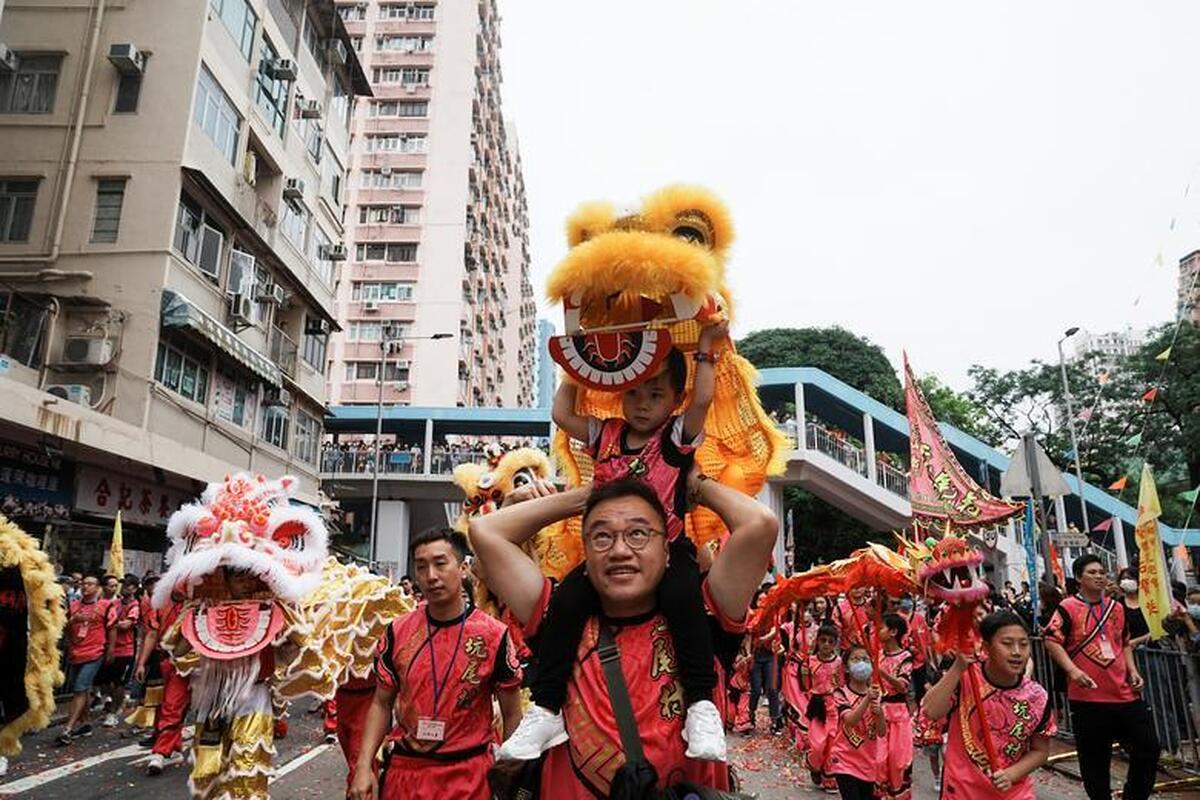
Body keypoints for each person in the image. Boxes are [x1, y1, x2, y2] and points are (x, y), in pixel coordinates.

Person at [470, 473, 778, 798]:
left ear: (667, 548)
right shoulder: (559, 619)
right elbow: (485, 531)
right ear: (586, 552)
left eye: (638, 534)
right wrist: (581, 497)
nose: (619, 550)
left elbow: (760, 524)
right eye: (601, 537)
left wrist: (693, 483)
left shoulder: (703, 617)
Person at [507, 321, 728, 763]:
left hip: (667, 551)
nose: (643, 405)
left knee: (683, 597)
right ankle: (547, 708)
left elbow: (703, 398)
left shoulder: (676, 438)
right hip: (607, 556)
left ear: (674, 400)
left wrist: (706, 346)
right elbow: (562, 415)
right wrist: (576, 361)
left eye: (656, 394)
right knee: (567, 602)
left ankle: (702, 706)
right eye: (634, 393)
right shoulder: (605, 434)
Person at [348, 529, 523, 800]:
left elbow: (512, 712)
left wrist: (511, 770)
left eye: (441, 564)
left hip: (469, 777)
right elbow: (381, 703)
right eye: (421, 567)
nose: (431, 576)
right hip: (406, 776)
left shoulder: (493, 635)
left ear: (463, 567)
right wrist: (363, 767)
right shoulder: (398, 631)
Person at [1043, 554, 1159, 800]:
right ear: (1078, 578)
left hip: (1125, 694)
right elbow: (1052, 641)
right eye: (1092, 572)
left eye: (1102, 572)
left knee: (1148, 748)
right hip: (1088, 698)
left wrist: (1133, 671)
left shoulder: (1116, 608)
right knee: (1095, 762)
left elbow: (1124, 643)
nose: (1099, 576)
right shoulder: (1067, 608)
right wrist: (1073, 672)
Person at [924, 610, 1054, 799]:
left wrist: (1012, 774)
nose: (1017, 652)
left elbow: (1040, 751)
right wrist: (957, 668)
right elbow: (931, 711)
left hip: (1013, 792)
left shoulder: (1037, 697)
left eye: (1024, 644)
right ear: (986, 647)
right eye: (1007, 644)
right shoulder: (966, 678)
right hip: (963, 790)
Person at [135, 587, 188, 775]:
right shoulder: (160, 604)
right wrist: (141, 663)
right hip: (168, 662)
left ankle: (166, 749)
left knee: (176, 707)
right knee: (169, 706)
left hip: (197, 663)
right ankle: (166, 749)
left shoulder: (200, 603)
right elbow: (151, 634)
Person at [826, 644, 885, 800]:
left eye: (865, 659)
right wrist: (867, 699)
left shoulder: (878, 695)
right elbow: (850, 720)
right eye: (856, 659)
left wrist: (880, 714)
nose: (861, 663)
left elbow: (881, 732)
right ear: (846, 668)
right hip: (844, 759)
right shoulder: (841, 693)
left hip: (868, 760)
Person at [57, 575, 106, 745]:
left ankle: (67, 729)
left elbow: (112, 629)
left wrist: (111, 651)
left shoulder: (104, 606)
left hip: (95, 652)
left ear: (98, 587)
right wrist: (73, 621)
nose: (86, 587)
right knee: (83, 689)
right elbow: (64, 625)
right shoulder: (74, 605)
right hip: (76, 652)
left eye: (90, 584)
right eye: (84, 584)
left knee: (79, 688)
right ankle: (85, 723)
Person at [876, 613, 913, 800]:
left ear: (893, 632)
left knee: (898, 761)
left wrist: (881, 672)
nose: (877, 631)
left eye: (881, 627)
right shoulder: (877, 654)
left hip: (898, 712)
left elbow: (902, 686)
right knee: (879, 759)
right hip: (878, 711)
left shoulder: (905, 657)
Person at [802, 623, 843, 792]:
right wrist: (804, 673)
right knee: (818, 743)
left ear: (835, 644)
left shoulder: (839, 662)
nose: (826, 644)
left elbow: (841, 684)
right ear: (817, 641)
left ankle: (830, 778)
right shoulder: (809, 661)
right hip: (817, 705)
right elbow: (806, 686)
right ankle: (814, 765)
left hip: (834, 705)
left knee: (833, 743)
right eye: (823, 640)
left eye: (830, 641)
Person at [98, 575, 140, 727]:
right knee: (103, 680)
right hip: (108, 647)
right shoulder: (114, 603)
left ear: (134, 588)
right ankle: (110, 702)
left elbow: (125, 625)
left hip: (125, 649)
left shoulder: (135, 606)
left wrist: (110, 624)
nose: (124, 588)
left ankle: (114, 712)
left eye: (128, 585)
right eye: (123, 585)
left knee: (119, 683)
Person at [747, 588, 782, 734]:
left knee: (772, 689)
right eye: (759, 600)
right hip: (756, 655)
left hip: (769, 655)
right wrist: (748, 653)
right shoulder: (751, 615)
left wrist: (765, 638)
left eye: (764, 600)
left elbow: (775, 629)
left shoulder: (774, 614)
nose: (762, 603)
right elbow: (748, 635)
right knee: (755, 689)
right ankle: (749, 716)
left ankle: (775, 720)